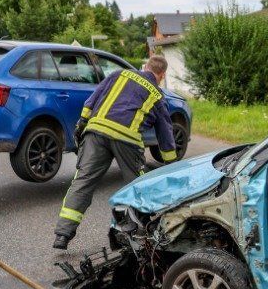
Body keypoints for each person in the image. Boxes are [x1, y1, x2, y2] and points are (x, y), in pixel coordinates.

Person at [53, 55, 178, 250]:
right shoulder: (158, 95)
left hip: (96, 131)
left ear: (145, 66)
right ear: (162, 75)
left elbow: (91, 101)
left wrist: (82, 124)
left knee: (83, 181)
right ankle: (143, 231)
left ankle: (62, 235)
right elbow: (165, 133)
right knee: (137, 186)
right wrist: (171, 162)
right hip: (127, 140)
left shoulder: (119, 74)